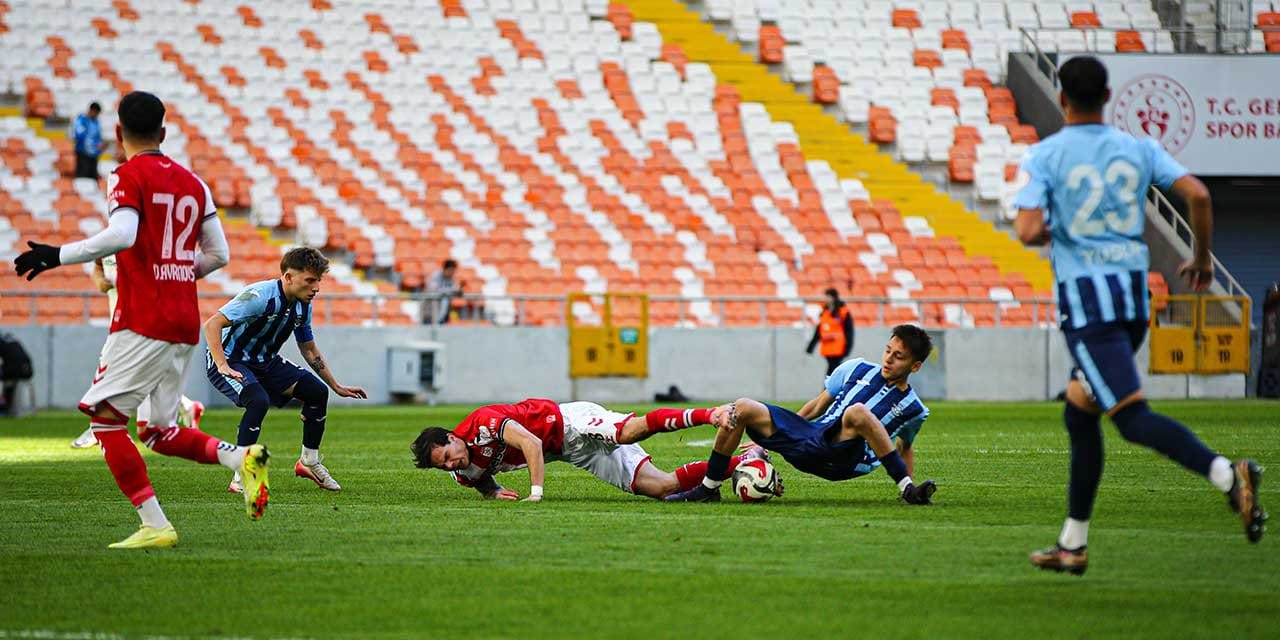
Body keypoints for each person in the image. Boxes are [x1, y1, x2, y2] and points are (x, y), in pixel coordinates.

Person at [1013, 56, 1265, 576]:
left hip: (1089, 305)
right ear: (1107, 98)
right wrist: (1200, 257)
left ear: (1062, 99)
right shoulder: (1137, 147)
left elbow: (1026, 230)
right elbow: (1198, 194)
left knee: (1130, 419)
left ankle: (1228, 474)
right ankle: (1072, 544)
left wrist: (1055, 229)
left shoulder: (1046, 155)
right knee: (1079, 410)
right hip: (1132, 298)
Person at [13, 91, 270, 549]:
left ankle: (155, 524)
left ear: (117, 133)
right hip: (182, 318)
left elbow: (124, 233)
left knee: (105, 422)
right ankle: (243, 458)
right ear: (164, 133)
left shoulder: (126, 175)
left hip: (142, 319)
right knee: (158, 431)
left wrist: (57, 255)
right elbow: (220, 255)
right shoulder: (195, 183)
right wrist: (174, 274)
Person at [665, 324, 937, 504]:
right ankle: (708, 489)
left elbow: (906, 445)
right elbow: (817, 405)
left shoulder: (914, 408)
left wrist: (908, 482)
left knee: (857, 413)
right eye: (888, 350)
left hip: (846, 457)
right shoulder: (856, 368)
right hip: (815, 436)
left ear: (915, 366)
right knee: (742, 407)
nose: (888, 359)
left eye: (898, 356)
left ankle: (908, 492)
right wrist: (769, 438)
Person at [204, 246, 367, 494]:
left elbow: (309, 349)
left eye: (319, 281)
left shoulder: (303, 305)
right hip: (231, 360)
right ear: (288, 277)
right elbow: (213, 323)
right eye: (310, 280)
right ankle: (241, 474)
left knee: (317, 392)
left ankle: (309, 462)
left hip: (266, 361)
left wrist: (336, 386)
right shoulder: (259, 296)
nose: (316, 288)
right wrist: (222, 364)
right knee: (257, 401)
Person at [410, 400, 774, 501]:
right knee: (660, 487)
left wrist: (536, 493)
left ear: (452, 436)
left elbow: (531, 444)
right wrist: (492, 491)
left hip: (569, 422)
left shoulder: (483, 423)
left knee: (629, 432)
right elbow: (478, 477)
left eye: (447, 456)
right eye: (443, 467)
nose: (451, 466)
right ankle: (747, 459)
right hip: (571, 452)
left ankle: (708, 414)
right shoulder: (461, 469)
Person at [70, 254, 204, 448]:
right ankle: (187, 406)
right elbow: (98, 266)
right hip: (119, 323)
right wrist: (100, 281)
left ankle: (100, 427)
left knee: (110, 374)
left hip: (141, 326)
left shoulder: (142, 243)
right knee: (135, 377)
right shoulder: (109, 243)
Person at [806, 287, 854, 375]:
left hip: (838, 347)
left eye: (828, 297)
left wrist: (848, 347)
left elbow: (849, 331)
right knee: (832, 370)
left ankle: (829, 387)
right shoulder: (825, 312)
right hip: (828, 347)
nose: (826, 299)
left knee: (833, 370)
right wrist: (811, 346)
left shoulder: (843, 312)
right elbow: (819, 330)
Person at [72, 102, 105, 180]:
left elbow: (98, 136)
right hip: (83, 153)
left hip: (94, 154)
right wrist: (95, 145)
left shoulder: (96, 122)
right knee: (83, 176)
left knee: (93, 177)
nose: (96, 115)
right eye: (96, 113)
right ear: (91, 110)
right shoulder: (81, 120)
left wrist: (100, 144)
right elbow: (80, 136)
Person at [425, 259, 462, 324]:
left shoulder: (452, 279)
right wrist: (450, 290)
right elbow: (432, 289)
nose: (452, 273)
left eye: (453, 271)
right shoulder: (435, 275)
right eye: (451, 270)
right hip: (430, 311)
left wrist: (458, 290)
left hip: (442, 314)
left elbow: (457, 289)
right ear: (445, 269)